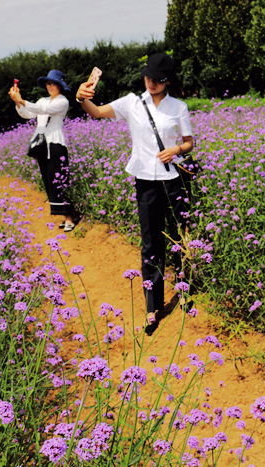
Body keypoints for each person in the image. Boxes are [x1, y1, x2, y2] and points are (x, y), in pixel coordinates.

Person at [75, 53, 194, 330]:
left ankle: (184, 291)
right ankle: (153, 307)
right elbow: (96, 112)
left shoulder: (179, 106)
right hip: (145, 181)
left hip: (172, 178)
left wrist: (175, 149)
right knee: (151, 244)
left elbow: (189, 143)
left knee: (179, 237)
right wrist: (83, 98)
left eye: (159, 80)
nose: (152, 83)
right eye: (149, 77)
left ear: (168, 81)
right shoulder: (131, 102)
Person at [9, 69, 79, 231]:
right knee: (49, 182)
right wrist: (17, 101)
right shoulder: (42, 100)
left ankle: (70, 216)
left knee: (61, 180)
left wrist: (22, 100)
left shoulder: (62, 101)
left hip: (55, 145)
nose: (50, 86)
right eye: (48, 83)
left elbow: (44, 111)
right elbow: (27, 114)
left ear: (60, 86)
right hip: (41, 146)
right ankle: (67, 214)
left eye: (54, 83)